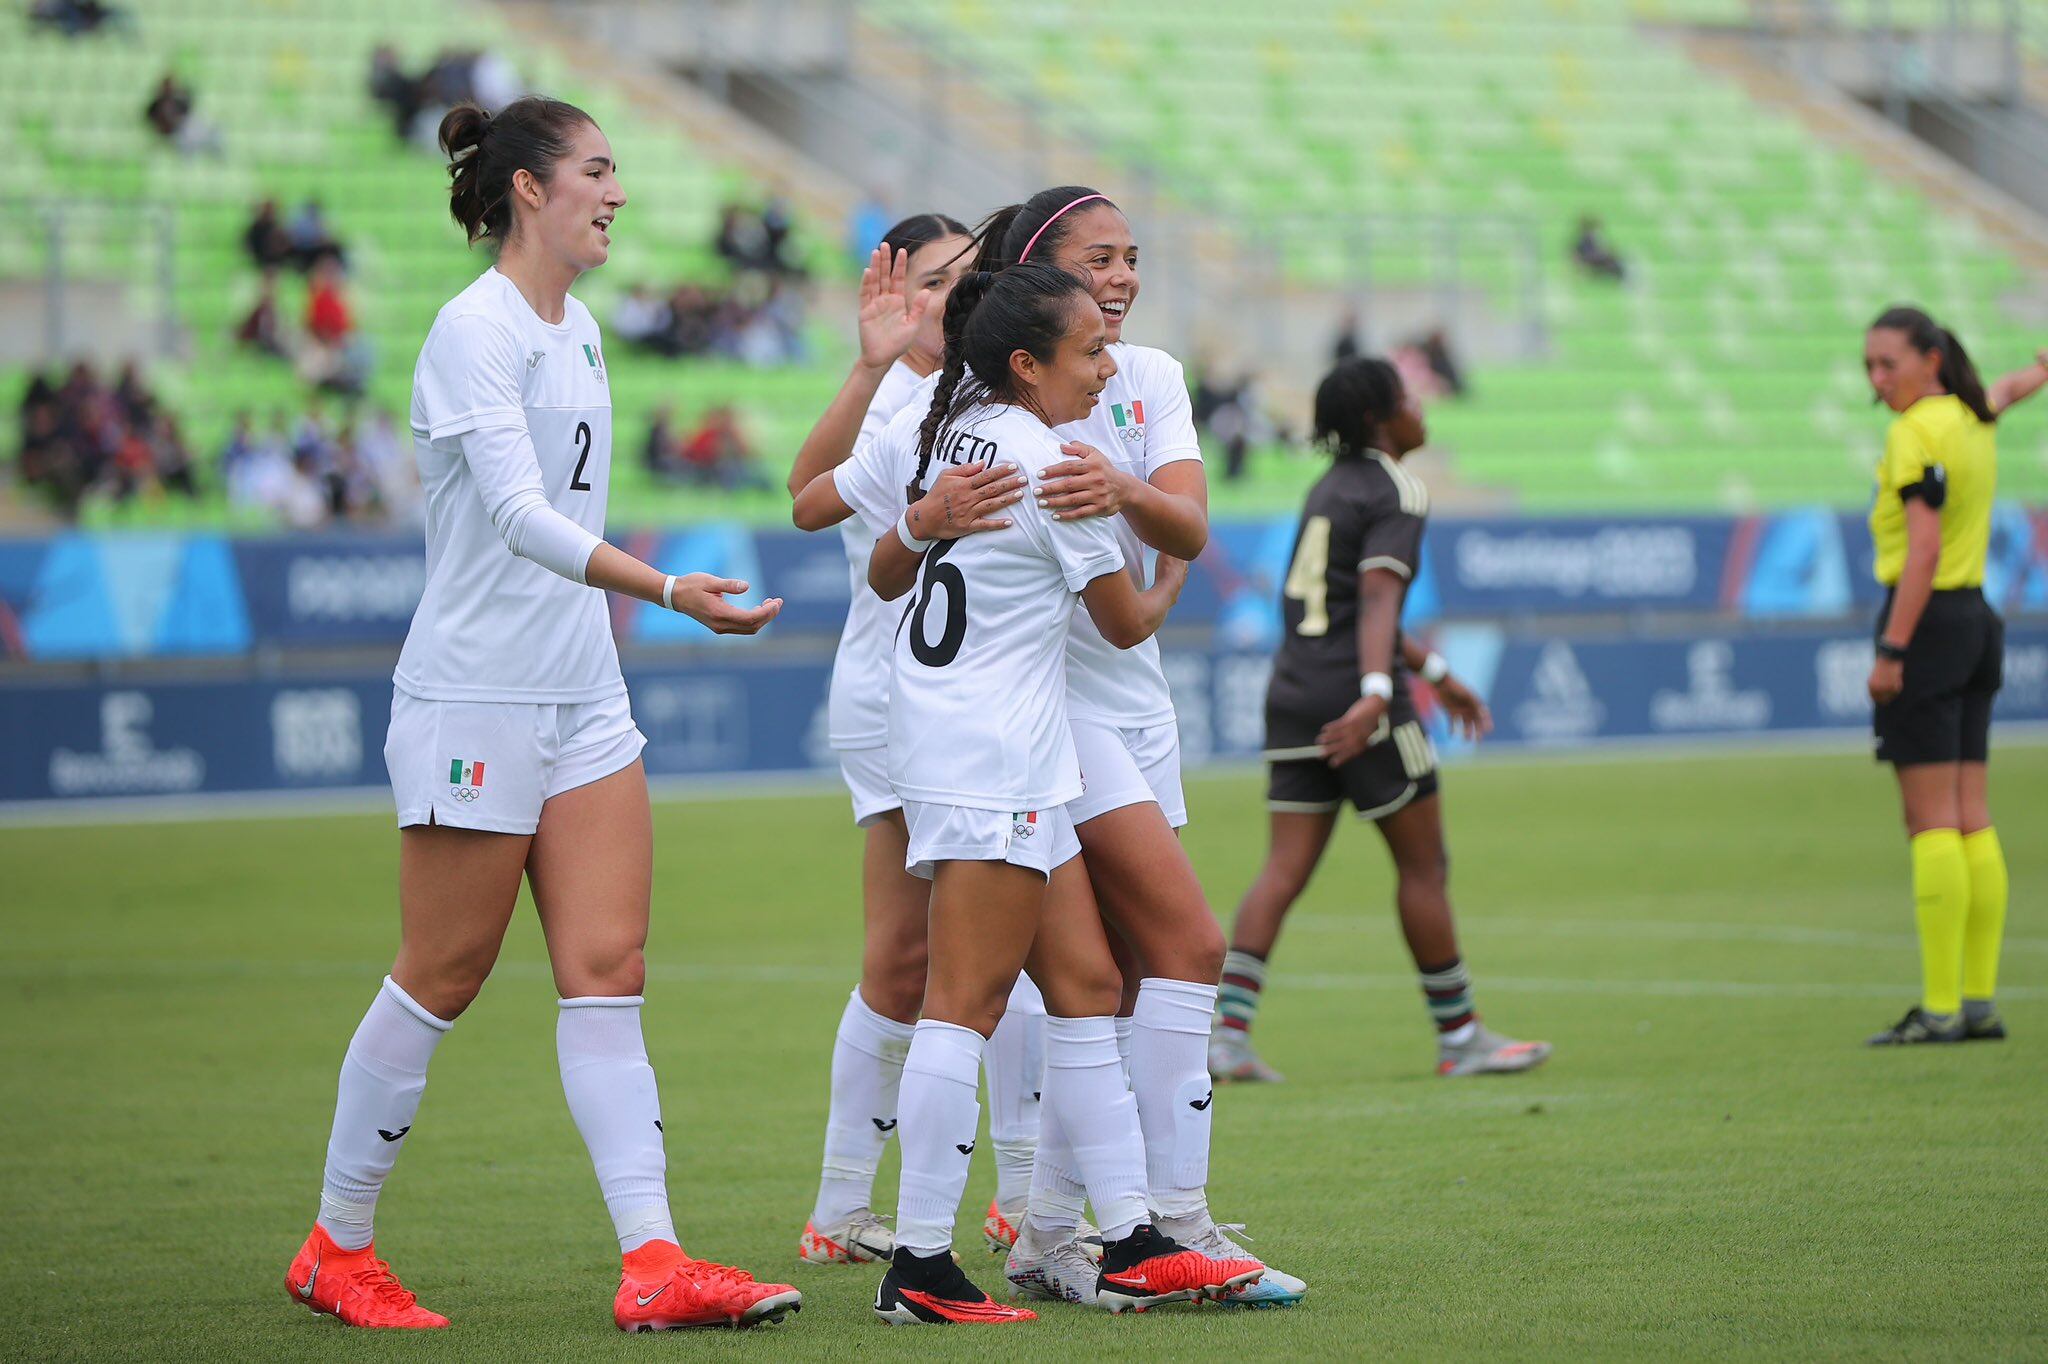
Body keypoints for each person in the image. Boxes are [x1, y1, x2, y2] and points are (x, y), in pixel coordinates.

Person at [281, 95, 799, 1334]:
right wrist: (669, 588)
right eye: (597, 171)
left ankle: (654, 1260)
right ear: (528, 187)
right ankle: (334, 1245)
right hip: (475, 694)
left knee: (608, 971)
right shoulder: (475, 330)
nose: (617, 193)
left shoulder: (578, 329)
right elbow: (516, 518)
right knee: (442, 973)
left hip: (584, 697)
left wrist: (642, 611)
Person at [853, 262, 1262, 1323]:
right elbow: (1123, 623)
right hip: (993, 754)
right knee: (966, 1003)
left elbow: (886, 573)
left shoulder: (964, 427)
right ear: (1028, 363)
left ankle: (1129, 1235)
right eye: (1088, 352)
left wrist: (920, 520)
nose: (1108, 366)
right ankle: (921, 1264)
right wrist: (1173, 574)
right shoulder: (1055, 465)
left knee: (1082, 981)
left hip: (979, 744)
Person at [965, 187, 1308, 1309]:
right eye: (1097, 260)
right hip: (1050, 710)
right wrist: (1147, 555)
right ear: (1043, 271)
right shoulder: (1006, 395)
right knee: (1184, 949)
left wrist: (1124, 491)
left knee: (1100, 988)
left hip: (1133, 708)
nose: (1120, 278)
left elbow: (1190, 522)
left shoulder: (1144, 375)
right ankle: (1173, 1219)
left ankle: (1051, 1233)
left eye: (1130, 258)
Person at [1210, 357, 1551, 1084]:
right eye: (1406, 397)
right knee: (1424, 867)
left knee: (1282, 869)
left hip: (1295, 694)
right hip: (1362, 706)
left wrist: (1436, 673)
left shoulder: (1327, 487)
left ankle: (1225, 1039)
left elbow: (1340, 607)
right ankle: (1461, 1039)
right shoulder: (1396, 488)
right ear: (1378, 419)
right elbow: (1373, 599)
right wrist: (1374, 692)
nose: (1420, 404)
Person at [786, 216, 975, 1267]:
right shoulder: (897, 397)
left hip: (967, 694)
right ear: (898, 299)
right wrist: (865, 368)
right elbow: (806, 496)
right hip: (897, 693)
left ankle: (1034, 1197)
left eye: (971, 276)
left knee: (978, 954)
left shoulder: (985, 387)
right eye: (942, 281)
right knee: (911, 956)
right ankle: (844, 1204)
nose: (963, 294)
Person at [1860, 308, 2045, 1045]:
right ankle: (1977, 1002)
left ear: (1931, 359)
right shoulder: (1968, 416)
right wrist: (2041, 373)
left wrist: (1892, 650)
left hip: (1929, 626)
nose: (1878, 381)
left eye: (1888, 364)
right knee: (1971, 814)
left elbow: (1924, 549)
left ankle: (1939, 1010)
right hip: (1978, 621)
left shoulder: (1915, 433)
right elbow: (2003, 390)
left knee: (1930, 820)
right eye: (1868, 368)